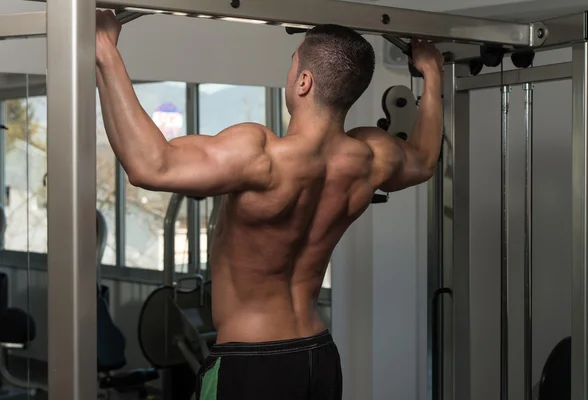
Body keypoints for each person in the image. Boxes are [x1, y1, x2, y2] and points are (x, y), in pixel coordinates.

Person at [95, 10, 444, 400]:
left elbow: (149, 166)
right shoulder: (369, 159)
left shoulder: (262, 156)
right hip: (318, 355)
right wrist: (432, 74)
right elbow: (426, 159)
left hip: (251, 362)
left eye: (293, 64)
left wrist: (104, 49)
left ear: (304, 82)